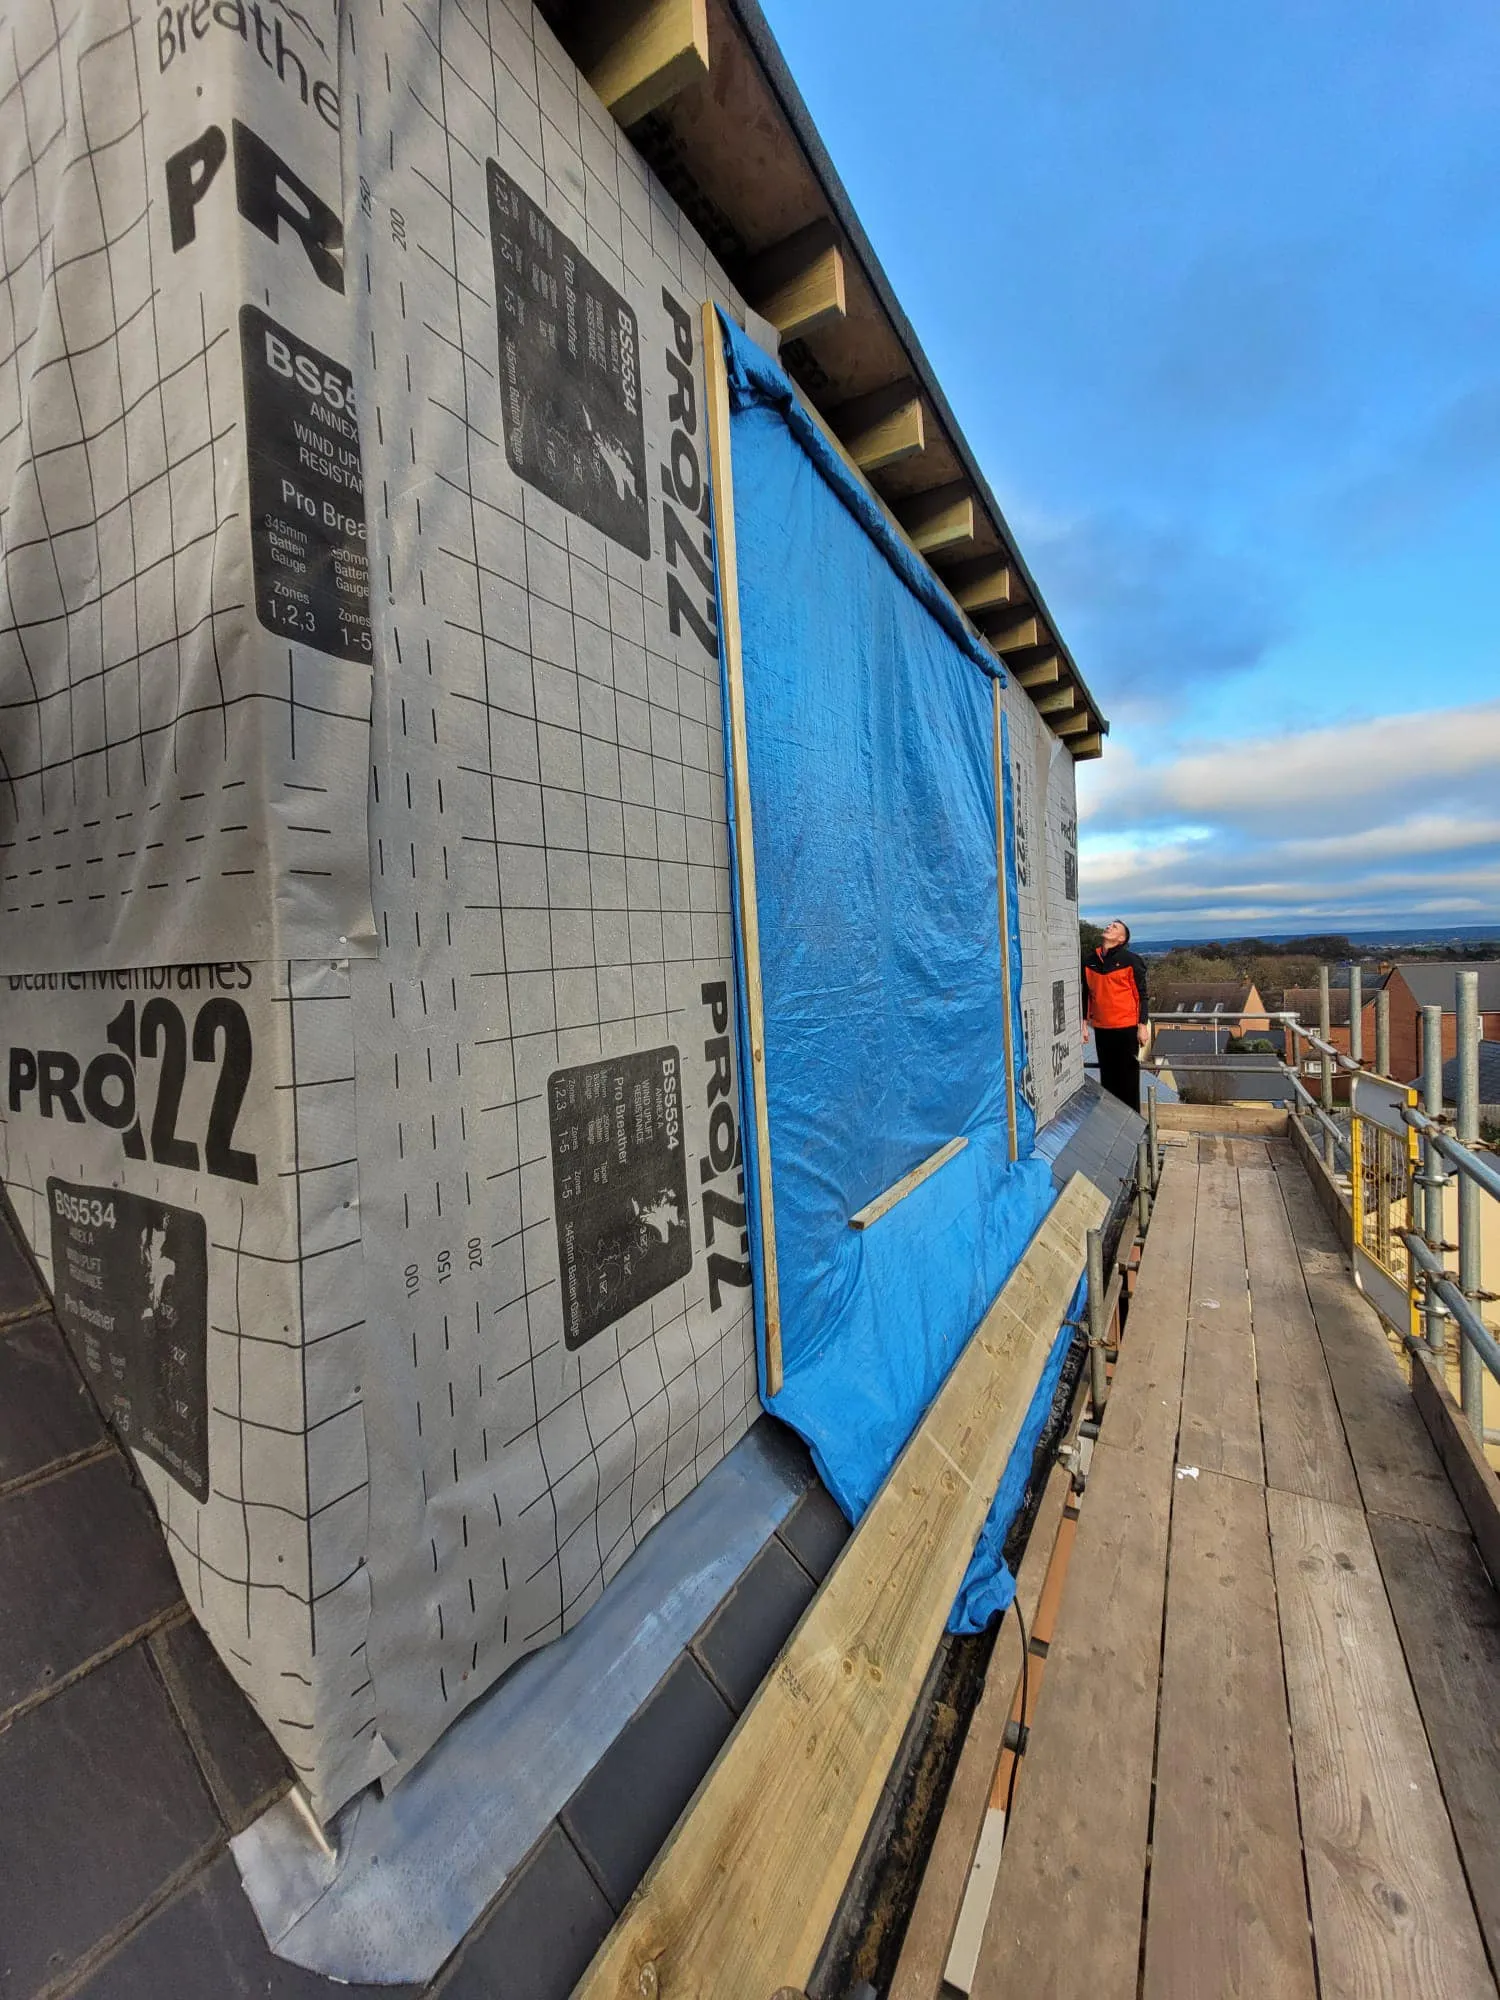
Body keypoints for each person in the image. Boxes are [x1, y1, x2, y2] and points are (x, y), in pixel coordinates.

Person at [1082, 919, 1150, 1111]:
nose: (1109, 926)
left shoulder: (1131, 960)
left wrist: (1142, 1025)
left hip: (1126, 1028)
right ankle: (1112, 1123)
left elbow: (1141, 996)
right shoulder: (1090, 961)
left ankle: (1135, 1126)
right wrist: (1083, 1024)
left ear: (1121, 938)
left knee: (1127, 1079)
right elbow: (1086, 994)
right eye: (1110, 924)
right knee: (1108, 1078)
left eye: (1115, 927)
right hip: (1102, 1029)